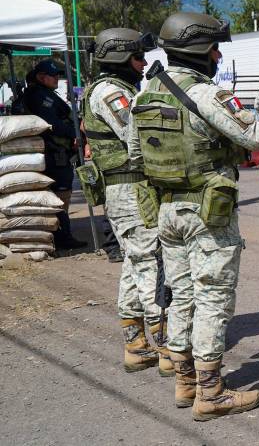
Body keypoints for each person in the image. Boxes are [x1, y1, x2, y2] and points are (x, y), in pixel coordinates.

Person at [129, 12, 259, 420]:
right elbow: (253, 136)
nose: (218, 56)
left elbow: (135, 155)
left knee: (181, 295)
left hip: (166, 210)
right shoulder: (206, 94)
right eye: (215, 48)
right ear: (199, 50)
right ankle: (211, 392)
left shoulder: (143, 96)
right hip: (207, 213)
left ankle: (185, 382)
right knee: (212, 297)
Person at [82, 28, 173, 375]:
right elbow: (138, 133)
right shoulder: (110, 92)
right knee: (150, 264)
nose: (144, 63)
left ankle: (136, 346)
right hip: (130, 191)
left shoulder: (117, 89)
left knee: (135, 266)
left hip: (130, 191)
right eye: (138, 57)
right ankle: (168, 349)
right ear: (120, 58)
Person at [19, 59, 86, 251]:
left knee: (61, 195)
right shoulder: (39, 96)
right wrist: (74, 134)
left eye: (58, 74)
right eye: (53, 75)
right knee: (60, 195)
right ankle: (62, 237)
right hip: (54, 153)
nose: (57, 78)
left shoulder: (45, 93)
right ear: (41, 77)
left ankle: (60, 234)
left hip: (57, 152)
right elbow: (52, 124)